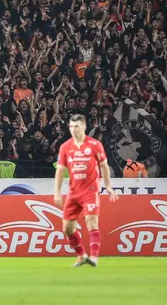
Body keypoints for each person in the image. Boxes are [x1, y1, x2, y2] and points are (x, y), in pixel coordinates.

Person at [54, 114, 119, 267]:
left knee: (91, 222)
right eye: (70, 126)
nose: (73, 129)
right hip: (73, 192)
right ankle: (81, 256)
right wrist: (57, 192)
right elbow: (60, 170)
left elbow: (104, 165)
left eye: (76, 126)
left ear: (84, 127)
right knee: (67, 228)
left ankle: (94, 258)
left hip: (90, 190)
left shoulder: (94, 145)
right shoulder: (65, 147)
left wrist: (108, 186)